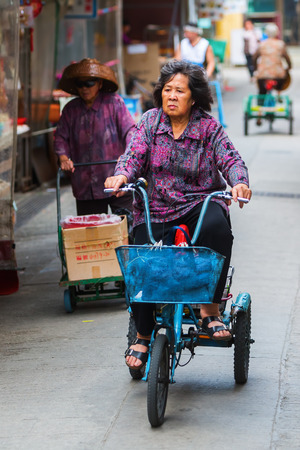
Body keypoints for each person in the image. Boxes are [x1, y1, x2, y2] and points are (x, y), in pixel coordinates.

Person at [105, 60, 252, 370]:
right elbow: (132, 155)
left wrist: (239, 182)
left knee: (219, 231)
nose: (171, 96)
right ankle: (143, 333)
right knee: (142, 256)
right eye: (167, 90)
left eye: (179, 91)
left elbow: (231, 158)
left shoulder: (208, 127)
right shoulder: (149, 122)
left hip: (199, 202)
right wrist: (121, 176)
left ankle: (209, 311)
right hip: (156, 205)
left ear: (193, 97)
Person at [54, 58, 135, 216]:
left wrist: (127, 156)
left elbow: (130, 131)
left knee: (128, 226)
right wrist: (63, 157)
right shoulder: (70, 109)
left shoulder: (115, 103)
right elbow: (60, 137)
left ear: (99, 84)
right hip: (85, 184)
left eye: (89, 83)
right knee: (92, 235)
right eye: (80, 84)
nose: (84, 88)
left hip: (115, 178)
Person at [253, 22, 292, 97]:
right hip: (278, 75)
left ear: (266, 33)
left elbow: (254, 57)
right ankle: (278, 95)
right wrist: (289, 67)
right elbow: (287, 58)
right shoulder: (280, 44)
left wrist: (255, 68)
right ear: (276, 33)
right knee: (280, 84)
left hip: (263, 75)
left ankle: (261, 103)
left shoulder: (262, 44)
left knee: (262, 91)